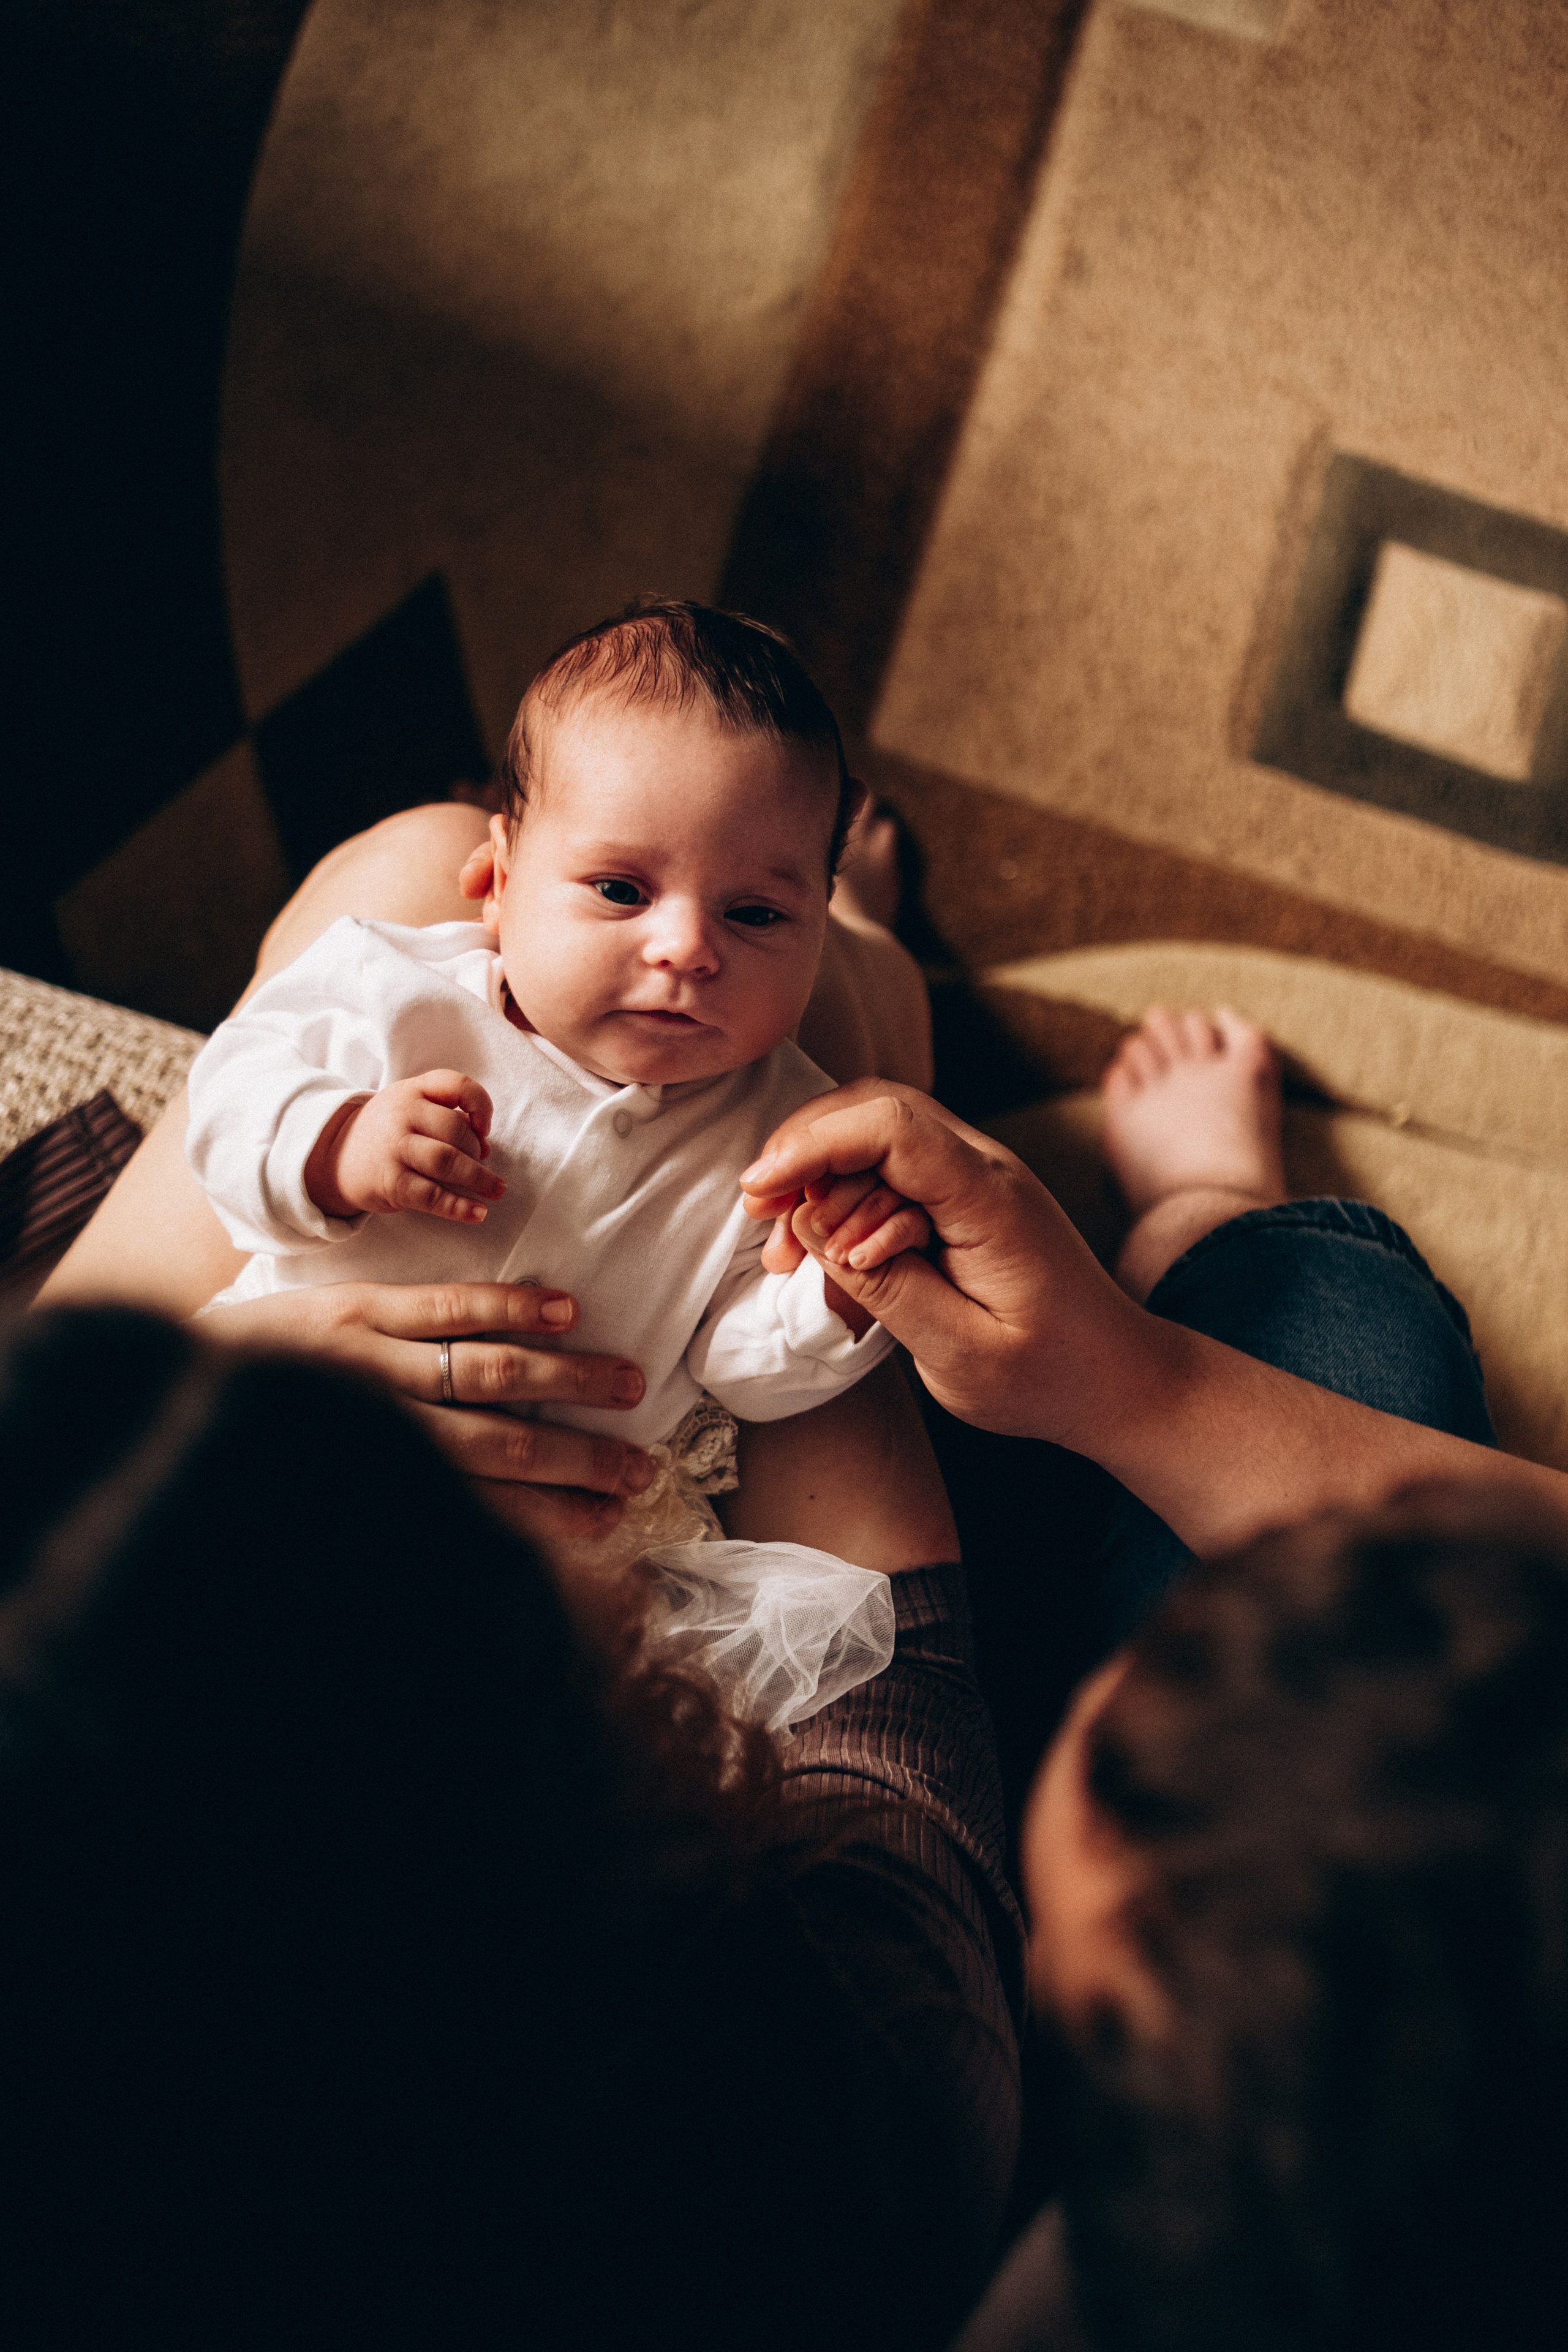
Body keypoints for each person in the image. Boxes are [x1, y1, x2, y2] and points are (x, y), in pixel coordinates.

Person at [33, 793, 1568, 2343]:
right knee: (1314, 1325)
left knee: (432, 887)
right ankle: (1191, 1212)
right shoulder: (843, 2089)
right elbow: (887, 1642)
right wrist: (1112, 1367)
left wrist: (259, 1335)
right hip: (984, 1974)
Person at [184, 603, 922, 1579]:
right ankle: (872, 925)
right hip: (280, 1440)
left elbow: (741, 1371)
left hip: (552, 1560)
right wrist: (336, 1142)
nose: (689, 949)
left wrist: (834, 1295)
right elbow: (229, 1098)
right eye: (621, 890)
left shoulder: (786, 1131)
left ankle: (872, 933)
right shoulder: (391, 990)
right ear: (493, 880)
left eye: (756, 913)